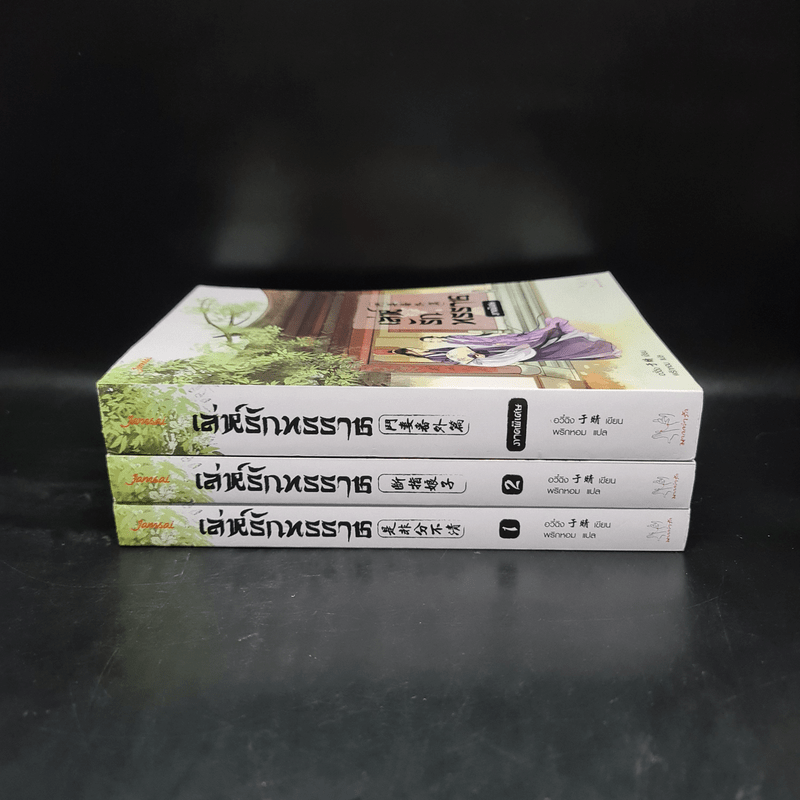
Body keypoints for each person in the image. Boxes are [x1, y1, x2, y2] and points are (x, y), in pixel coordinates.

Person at [393, 317, 620, 366]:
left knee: (543, 340)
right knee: (558, 349)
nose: (432, 339)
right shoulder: (441, 356)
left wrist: (482, 347)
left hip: (499, 345)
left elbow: (477, 341)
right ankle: (599, 347)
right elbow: (477, 357)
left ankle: (575, 335)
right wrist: (476, 355)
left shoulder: (449, 343)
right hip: (505, 353)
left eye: (431, 337)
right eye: (430, 339)